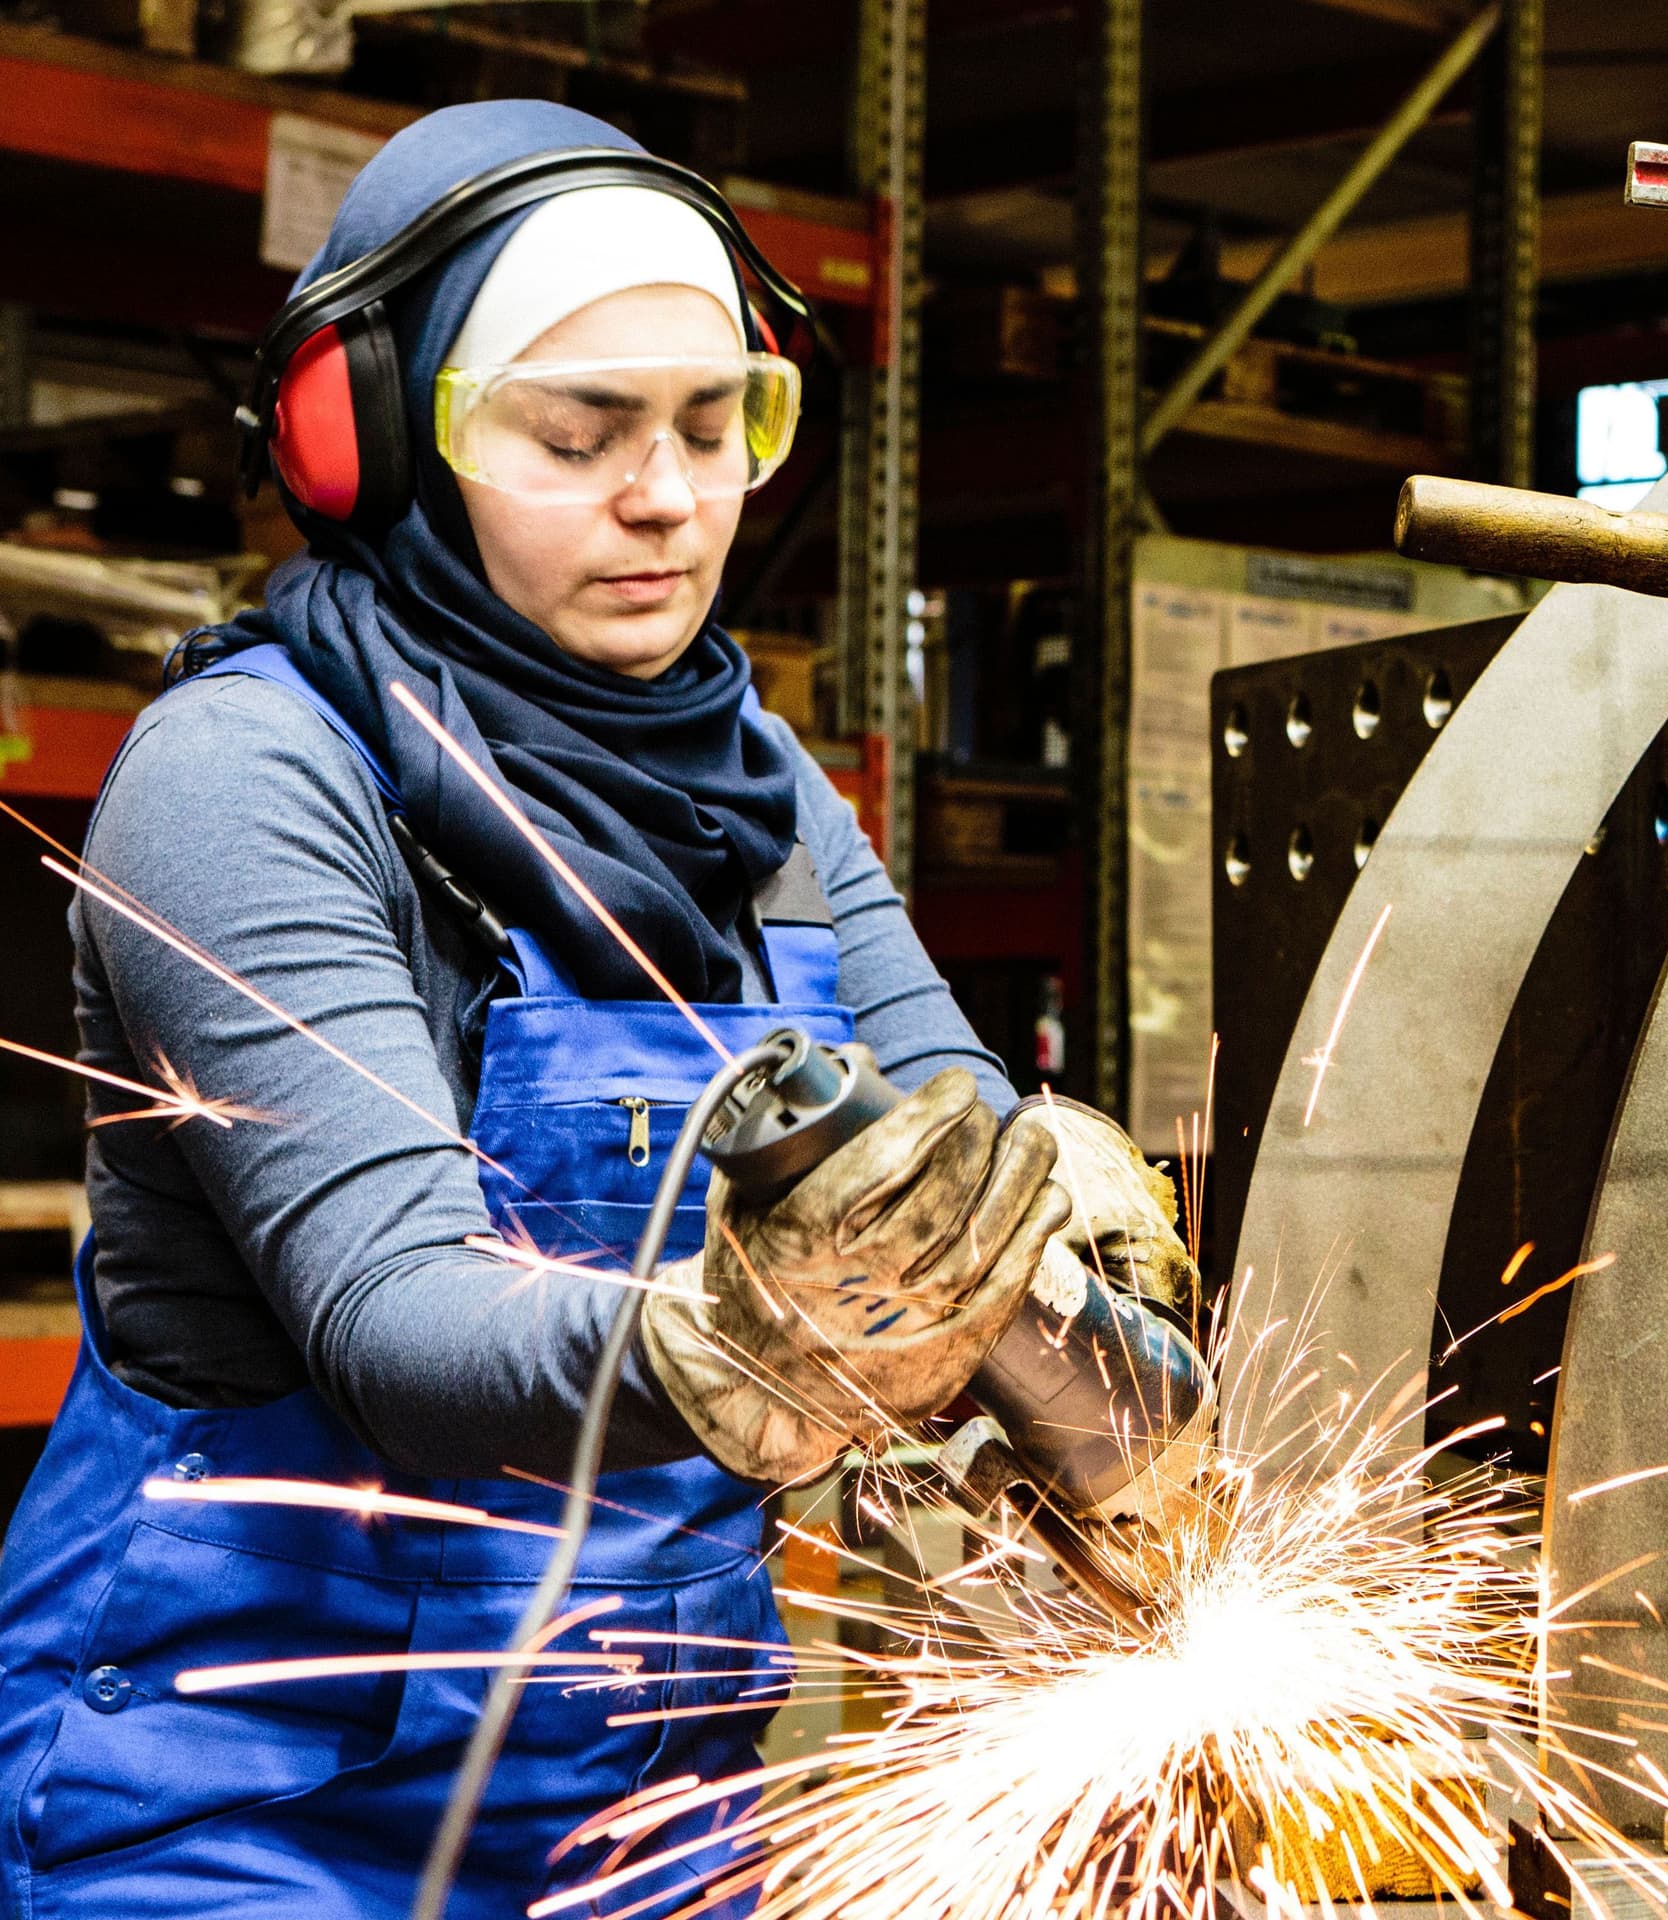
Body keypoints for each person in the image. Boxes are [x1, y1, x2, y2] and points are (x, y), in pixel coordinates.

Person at [0, 100, 1199, 1919]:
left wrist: (1061, 1288)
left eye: (717, 426)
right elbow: (399, 1321)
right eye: (580, 435)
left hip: (650, 1814)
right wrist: (731, 1353)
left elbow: (961, 1157)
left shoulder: (762, 798)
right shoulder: (245, 778)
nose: (669, 496)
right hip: (245, 1808)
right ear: (373, 438)